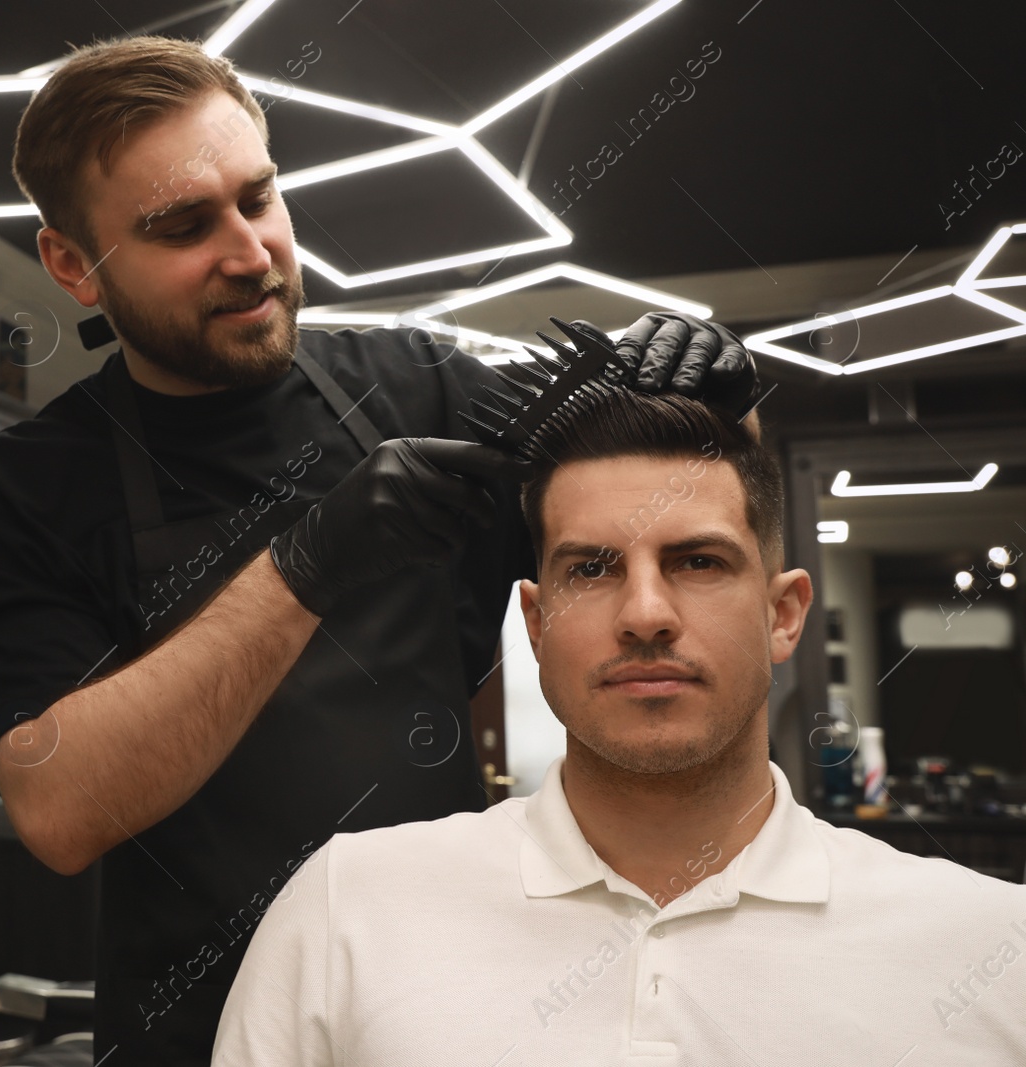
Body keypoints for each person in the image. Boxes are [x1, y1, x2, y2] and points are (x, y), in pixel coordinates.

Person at [0, 34, 762, 1065]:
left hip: (445, 1010)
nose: (248, 253)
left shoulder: (417, 383)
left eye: (258, 198)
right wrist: (305, 565)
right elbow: (57, 809)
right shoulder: (28, 483)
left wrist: (715, 409)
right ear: (72, 262)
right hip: (191, 1029)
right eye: (182, 226)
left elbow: (669, 538)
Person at [211, 386, 1026, 1065]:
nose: (644, 615)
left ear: (784, 616)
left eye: (698, 562)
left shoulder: (990, 949)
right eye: (592, 569)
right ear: (534, 622)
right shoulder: (347, 910)